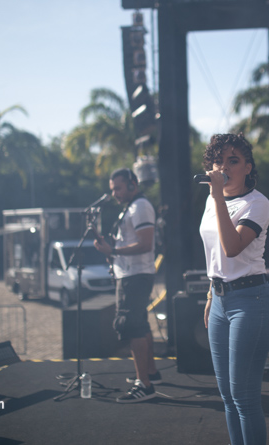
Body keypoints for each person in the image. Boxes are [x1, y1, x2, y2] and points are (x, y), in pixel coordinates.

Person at [200, 133, 269, 445]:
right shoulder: (213, 200)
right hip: (220, 300)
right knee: (227, 398)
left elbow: (232, 247)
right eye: (218, 161)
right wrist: (211, 294)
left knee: (244, 397)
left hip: (252, 301)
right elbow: (215, 255)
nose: (223, 167)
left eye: (232, 161)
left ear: (248, 167)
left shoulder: (257, 204)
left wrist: (218, 195)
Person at [94, 168, 161, 403]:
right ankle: (151, 373)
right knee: (140, 325)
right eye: (112, 189)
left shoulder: (140, 206)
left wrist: (112, 250)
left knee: (131, 326)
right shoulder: (132, 207)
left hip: (135, 276)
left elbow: (145, 244)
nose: (114, 193)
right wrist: (111, 246)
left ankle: (144, 384)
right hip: (133, 274)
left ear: (133, 184)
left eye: (118, 188)